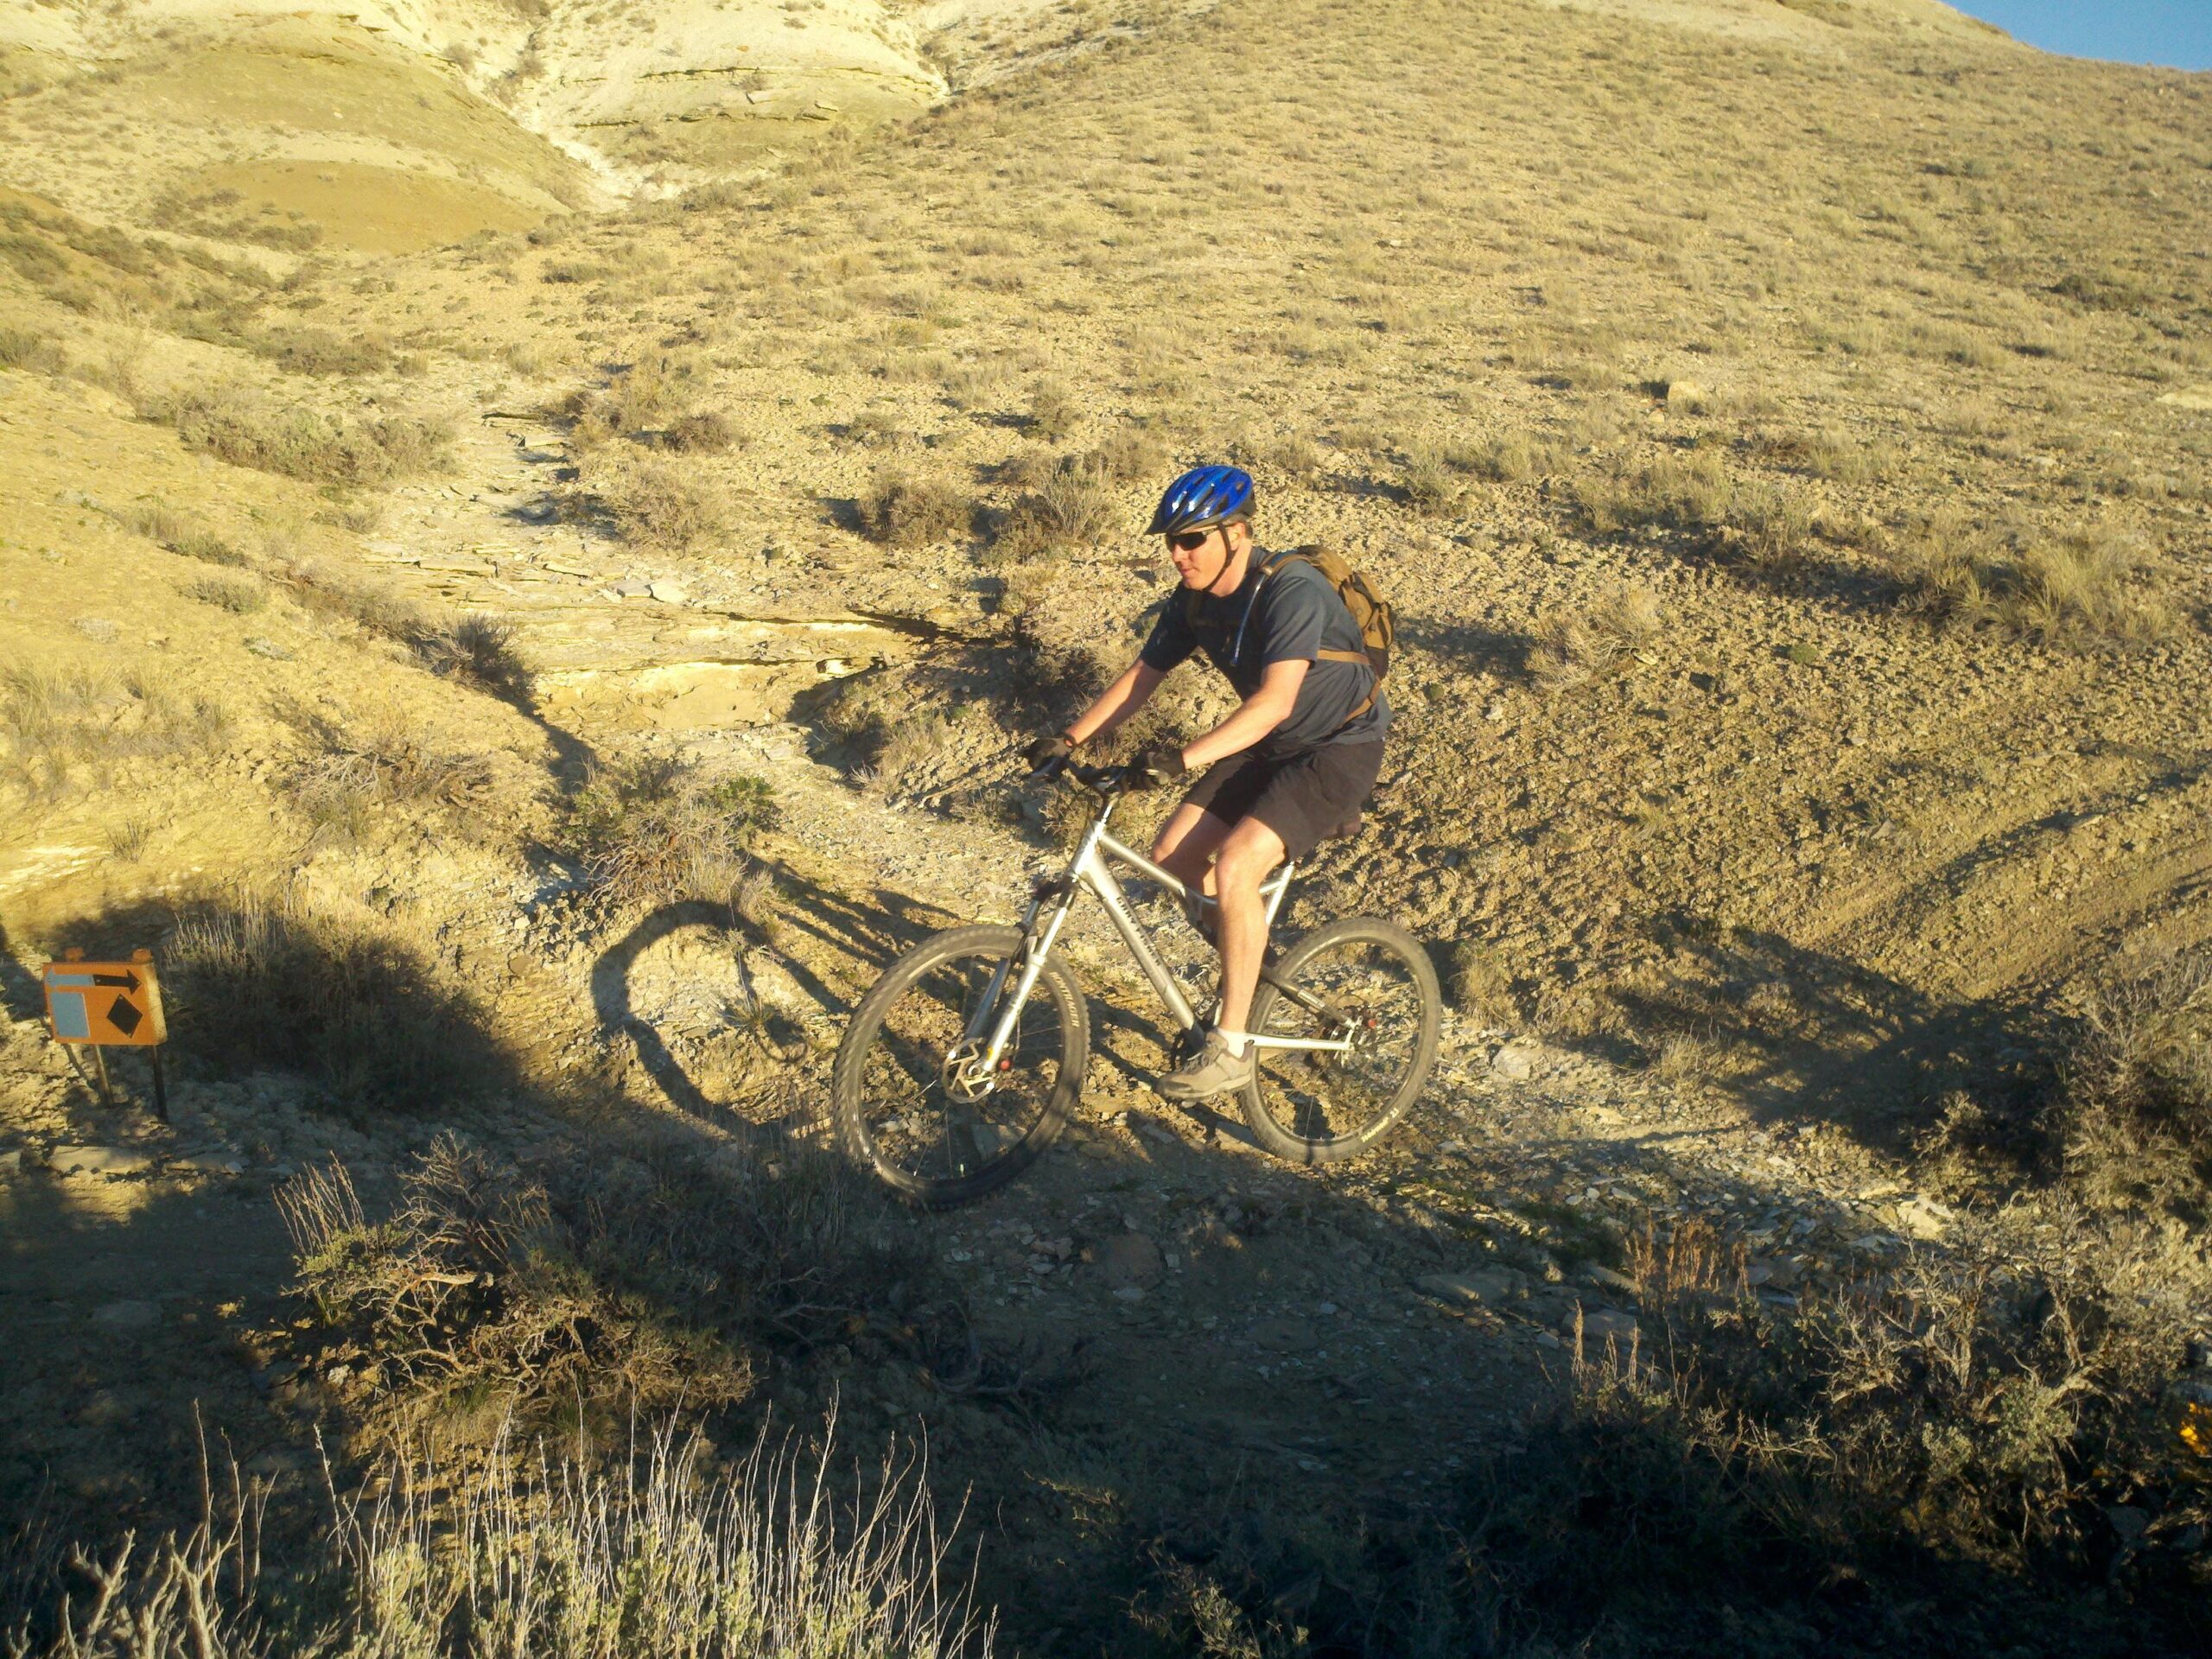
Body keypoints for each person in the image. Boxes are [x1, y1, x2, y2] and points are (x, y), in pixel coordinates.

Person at [1026, 464, 1389, 1099]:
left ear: (1238, 533)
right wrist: (1071, 739)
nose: (1177, 554)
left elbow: (1276, 701)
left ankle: (1231, 1047)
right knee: (1171, 856)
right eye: (1170, 540)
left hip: (1337, 747)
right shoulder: (1193, 600)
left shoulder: (1290, 590)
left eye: (1191, 540)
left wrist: (1181, 759)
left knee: (1235, 868)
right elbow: (1143, 676)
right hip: (1269, 742)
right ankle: (1251, 970)